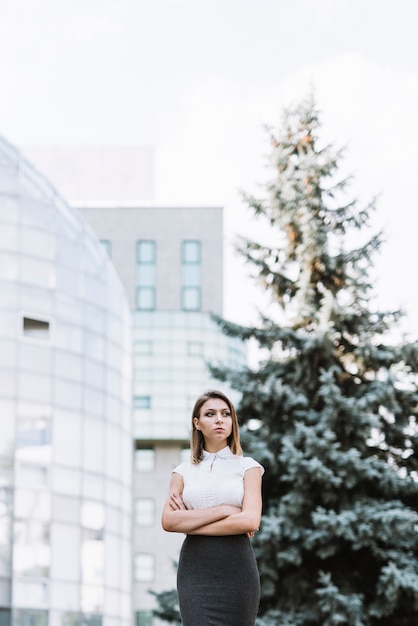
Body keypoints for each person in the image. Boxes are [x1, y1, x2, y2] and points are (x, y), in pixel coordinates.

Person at [161, 389, 264, 626]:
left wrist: (191, 523)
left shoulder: (249, 468)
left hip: (237, 568)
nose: (219, 419)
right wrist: (225, 510)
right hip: (195, 570)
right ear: (197, 423)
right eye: (210, 414)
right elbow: (169, 522)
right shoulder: (182, 472)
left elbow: (249, 521)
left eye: (225, 414)